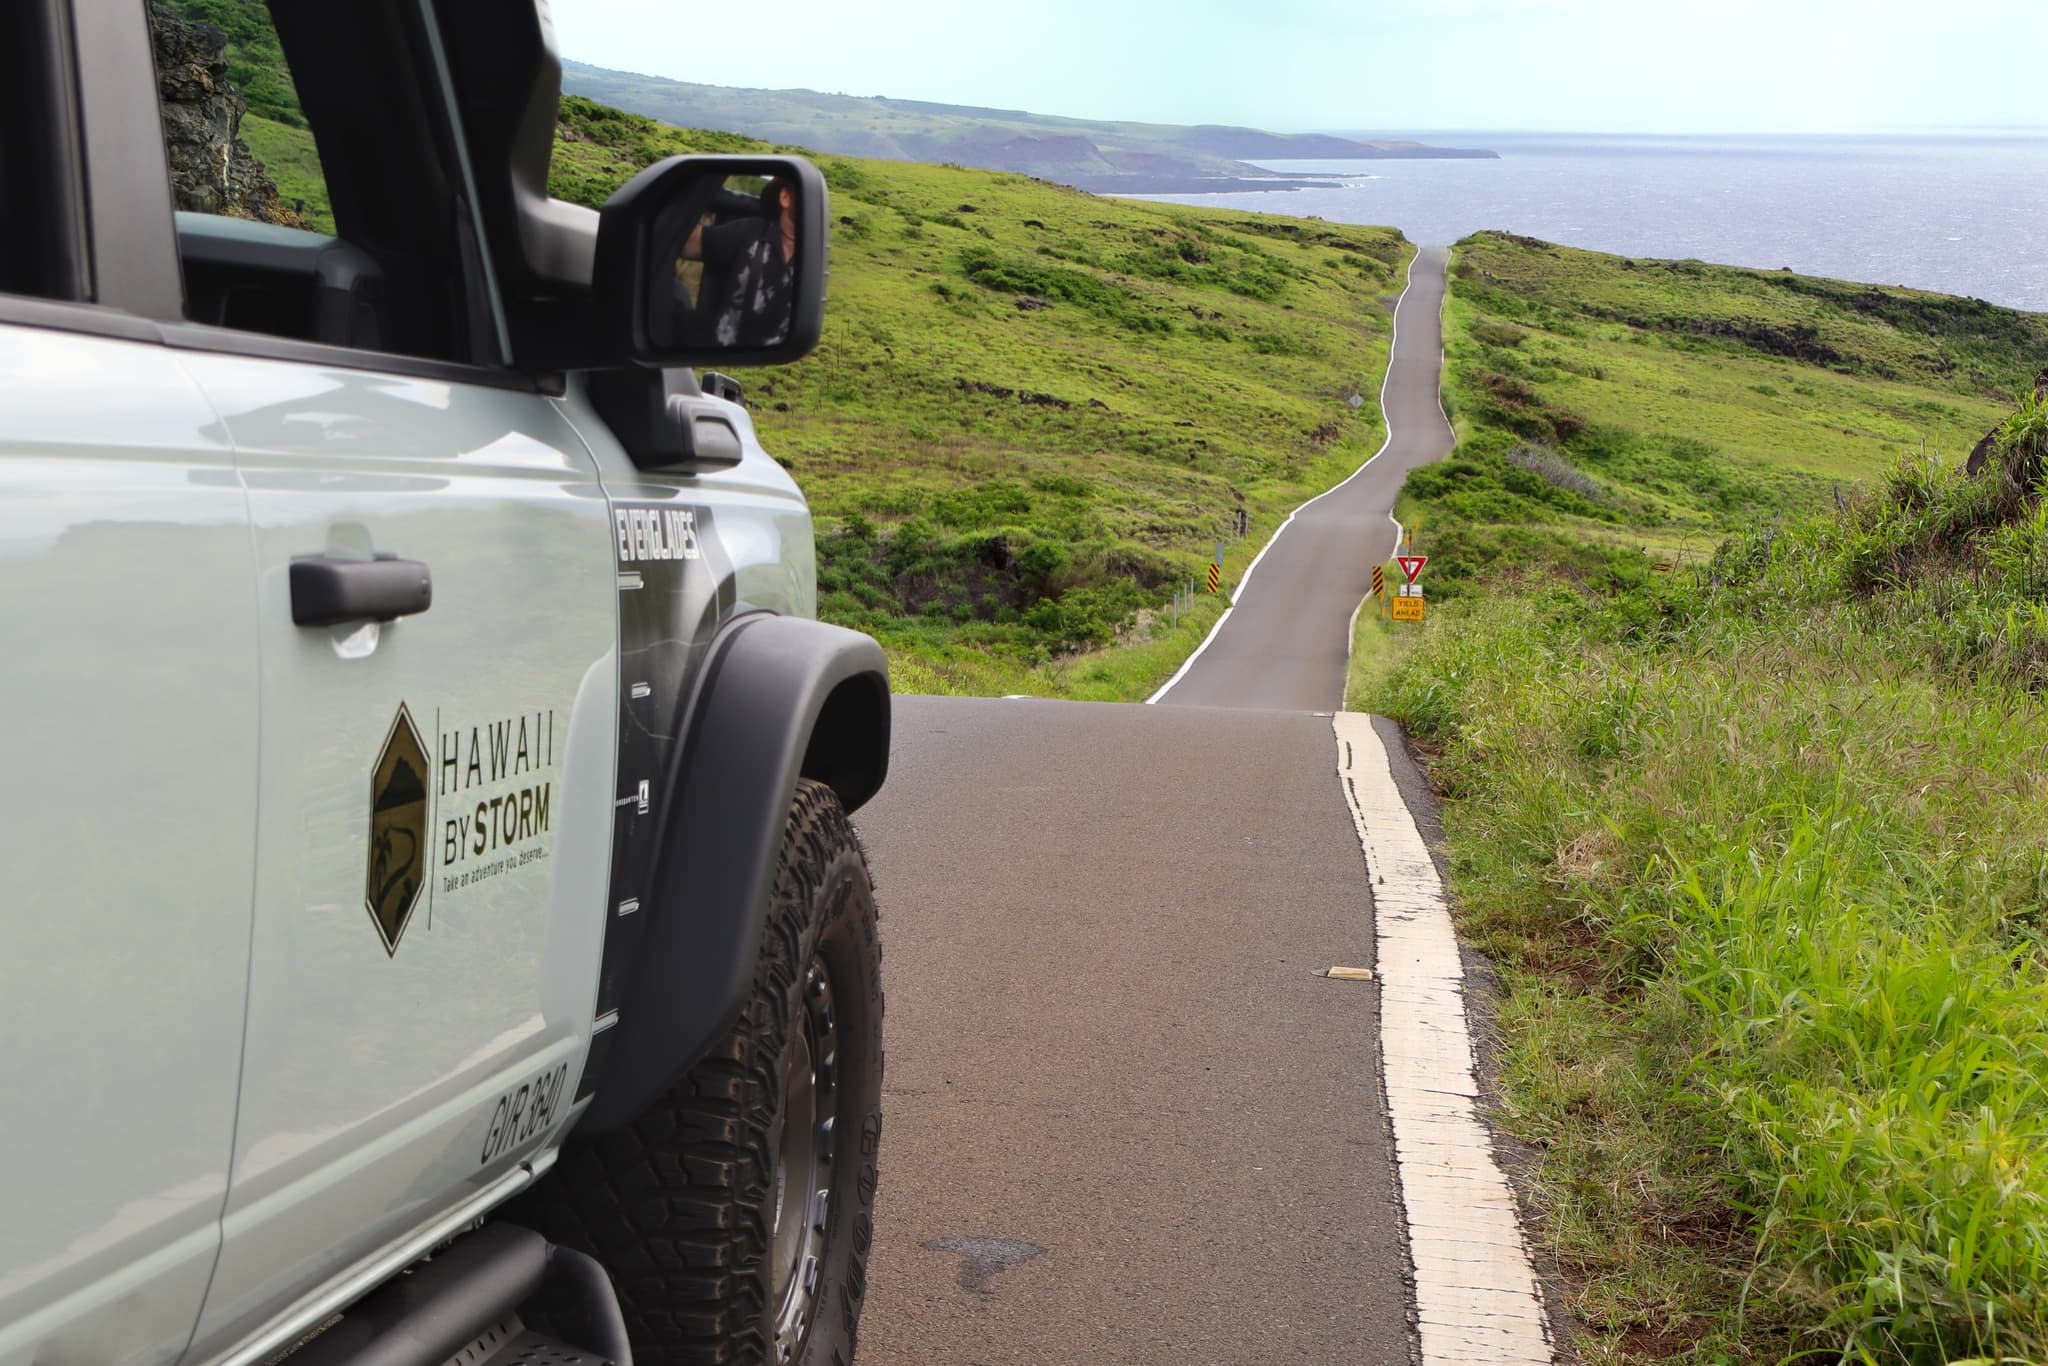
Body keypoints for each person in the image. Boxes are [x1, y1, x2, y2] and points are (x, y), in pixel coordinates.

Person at [681, 177, 797, 349]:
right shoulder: (749, 232)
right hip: (722, 352)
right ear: (785, 198)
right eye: (806, 194)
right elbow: (682, 242)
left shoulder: (813, 251)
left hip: (774, 357)